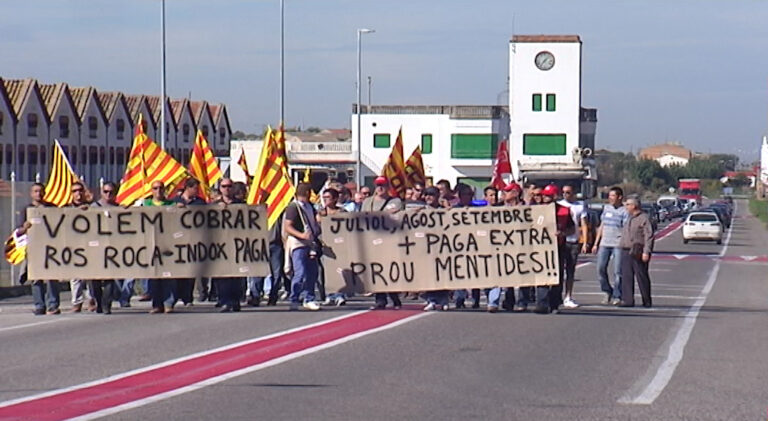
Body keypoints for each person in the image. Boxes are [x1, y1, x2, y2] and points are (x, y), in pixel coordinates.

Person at [17, 183, 60, 315]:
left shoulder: (52, 208)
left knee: (52, 277)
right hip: (34, 248)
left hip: (50, 248)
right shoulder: (27, 210)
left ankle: (53, 305)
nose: (38, 194)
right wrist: (24, 228)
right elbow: (18, 231)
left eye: (40, 191)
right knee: (36, 278)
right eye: (35, 191)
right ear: (31, 194)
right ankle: (39, 305)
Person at [362, 176, 403, 309]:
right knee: (376, 269)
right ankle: (380, 299)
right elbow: (362, 218)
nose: (380, 188)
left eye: (383, 185)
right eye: (378, 185)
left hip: (389, 240)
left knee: (390, 269)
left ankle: (395, 297)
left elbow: (396, 215)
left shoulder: (395, 201)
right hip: (372, 240)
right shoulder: (368, 202)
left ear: (388, 187)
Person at [283, 182, 322, 311]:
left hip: (310, 243)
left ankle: (309, 297)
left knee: (312, 272)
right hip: (298, 243)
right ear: (306, 193)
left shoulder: (310, 206)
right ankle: (294, 298)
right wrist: (301, 235)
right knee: (300, 272)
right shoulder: (294, 207)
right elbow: (288, 227)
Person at [538, 184, 575, 314]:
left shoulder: (564, 211)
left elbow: (572, 229)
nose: (545, 198)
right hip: (540, 248)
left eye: (548, 195)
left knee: (556, 276)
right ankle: (542, 303)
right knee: (541, 274)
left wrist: (563, 233)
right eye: (544, 195)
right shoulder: (537, 209)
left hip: (558, 247)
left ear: (554, 196)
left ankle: (554, 303)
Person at [591, 186, 628, 305]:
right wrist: (596, 243)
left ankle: (618, 294)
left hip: (618, 244)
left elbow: (626, 229)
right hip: (604, 243)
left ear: (619, 197)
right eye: (610, 196)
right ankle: (607, 290)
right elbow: (602, 226)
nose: (610, 198)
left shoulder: (624, 211)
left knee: (618, 271)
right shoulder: (606, 208)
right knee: (600, 269)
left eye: (613, 196)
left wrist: (624, 243)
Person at [144, 181, 176, 314]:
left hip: (167, 246)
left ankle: (169, 302)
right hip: (151, 246)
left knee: (168, 276)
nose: (158, 191)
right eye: (155, 188)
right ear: (151, 190)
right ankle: (157, 304)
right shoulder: (145, 205)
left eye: (161, 188)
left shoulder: (171, 205)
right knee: (154, 277)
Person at [618, 197, 654, 308]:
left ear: (634, 206)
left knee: (641, 275)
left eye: (628, 204)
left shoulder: (644, 218)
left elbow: (649, 236)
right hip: (625, 249)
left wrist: (646, 252)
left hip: (638, 250)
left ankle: (646, 300)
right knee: (626, 276)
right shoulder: (629, 218)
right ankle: (627, 300)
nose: (626, 206)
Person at [89, 182, 119, 314]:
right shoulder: (93, 207)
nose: (108, 194)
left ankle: (106, 304)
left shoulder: (118, 208)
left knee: (109, 278)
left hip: (112, 248)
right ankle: (99, 301)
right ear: (101, 192)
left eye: (111, 192)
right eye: (106, 191)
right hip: (95, 248)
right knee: (94, 279)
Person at [557, 184, 589, 309]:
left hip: (573, 241)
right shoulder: (559, 205)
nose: (565, 195)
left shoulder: (580, 206)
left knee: (570, 270)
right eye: (564, 192)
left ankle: (568, 296)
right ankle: (557, 295)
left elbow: (584, 225)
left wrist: (585, 242)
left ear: (573, 193)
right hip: (560, 241)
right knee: (559, 271)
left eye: (568, 192)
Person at [452, 183, 482, 309]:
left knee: (475, 272)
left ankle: (476, 299)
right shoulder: (453, 211)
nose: (468, 197)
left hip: (474, 245)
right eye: (465, 195)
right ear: (460, 196)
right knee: (460, 272)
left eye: (470, 195)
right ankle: (460, 298)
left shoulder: (477, 210)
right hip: (458, 246)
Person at [316, 188, 347, 306]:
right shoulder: (320, 213)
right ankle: (329, 295)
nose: (325, 200)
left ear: (335, 198)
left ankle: (340, 295)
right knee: (326, 272)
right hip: (325, 247)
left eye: (328, 198)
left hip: (339, 246)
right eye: (324, 198)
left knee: (339, 271)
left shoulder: (342, 212)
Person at [422, 187, 449, 311]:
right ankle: (431, 299)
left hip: (442, 247)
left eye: (431, 195)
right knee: (429, 274)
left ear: (438, 196)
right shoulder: (421, 212)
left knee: (443, 273)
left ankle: (443, 300)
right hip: (426, 248)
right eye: (426, 195)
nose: (428, 197)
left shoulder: (444, 211)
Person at [67, 181, 92, 313]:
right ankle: (76, 302)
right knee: (75, 276)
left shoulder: (92, 208)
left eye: (79, 190)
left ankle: (91, 300)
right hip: (74, 247)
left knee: (91, 275)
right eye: (74, 191)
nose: (77, 194)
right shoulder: (66, 208)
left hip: (90, 245)